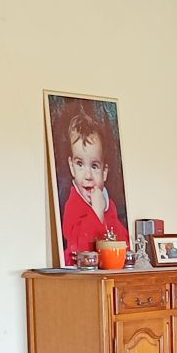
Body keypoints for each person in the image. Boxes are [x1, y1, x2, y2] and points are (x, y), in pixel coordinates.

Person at [57, 106, 128, 257]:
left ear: (104, 172)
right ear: (71, 167)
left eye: (94, 166)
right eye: (80, 164)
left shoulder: (108, 204)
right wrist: (97, 213)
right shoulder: (73, 205)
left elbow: (123, 241)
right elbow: (80, 247)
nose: (88, 175)